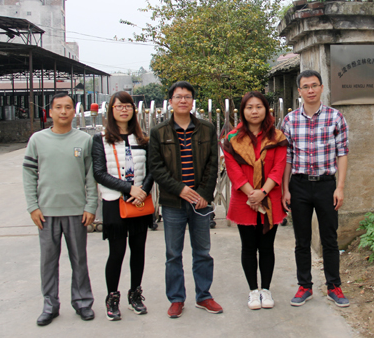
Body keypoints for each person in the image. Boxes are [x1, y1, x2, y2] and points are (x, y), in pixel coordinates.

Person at [22, 92, 98, 326]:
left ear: (74, 111)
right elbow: (29, 174)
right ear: (50, 111)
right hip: (46, 213)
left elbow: (91, 176)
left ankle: (82, 302)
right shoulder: (37, 140)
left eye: (68, 107)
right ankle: (50, 305)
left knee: (79, 259)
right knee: (48, 261)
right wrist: (33, 206)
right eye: (58, 107)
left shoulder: (84, 140)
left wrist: (91, 205)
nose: (63, 111)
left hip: (77, 211)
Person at [149, 81, 222, 317]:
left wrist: (204, 195)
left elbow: (213, 163)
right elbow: (156, 168)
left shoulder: (207, 128)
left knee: (202, 251)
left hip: (200, 202)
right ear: (170, 101)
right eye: (178, 96)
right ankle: (176, 298)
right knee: (173, 254)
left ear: (192, 101)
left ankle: (204, 296)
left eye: (187, 96)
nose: (183, 100)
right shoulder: (159, 132)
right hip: (173, 203)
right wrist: (179, 189)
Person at [281, 69, 350, 308]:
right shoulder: (289, 120)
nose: (310, 90)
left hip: (326, 185)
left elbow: (343, 153)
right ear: (299, 91)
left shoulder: (335, 117)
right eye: (305, 87)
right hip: (299, 185)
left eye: (314, 85)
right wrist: (285, 189)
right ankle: (305, 286)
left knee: (329, 238)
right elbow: (287, 157)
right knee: (302, 240)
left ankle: (334, 286)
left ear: (321, 87)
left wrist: (340, 187)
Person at [222, 91, 288, 310]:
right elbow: (233, 170)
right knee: (248, 247)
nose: (254, 111)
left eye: (259, 107)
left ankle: (266, 289)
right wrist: (252, 194)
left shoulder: (277, 137)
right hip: (245, 200)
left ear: (266, 110)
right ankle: (253, 291)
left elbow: (279, 167)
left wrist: (263, 193)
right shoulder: (232, 138)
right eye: (249, 107)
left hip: (270, 199)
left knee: (267, 247)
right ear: (243, 111)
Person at [92, 91, 154, 321]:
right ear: (111, 110)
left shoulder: (143, 139)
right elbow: (99, 173)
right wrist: (129, 189)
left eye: (128, 106)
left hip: (139, 202)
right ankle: (112, 298)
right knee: (117, 252)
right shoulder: (100, 139)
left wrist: (142, 191)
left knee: (138, 250)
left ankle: (135, 295)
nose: (124, 110)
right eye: (119, 106)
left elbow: (152, 169)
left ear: (133, 110)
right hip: (114, 202)